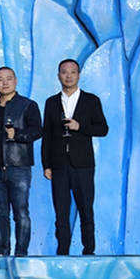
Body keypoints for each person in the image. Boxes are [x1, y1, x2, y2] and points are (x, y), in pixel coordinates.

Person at [41, 58, 108, 255]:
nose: (68, 76)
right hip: (59, 165)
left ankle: (89, 250)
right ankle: (62, 251)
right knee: (61, 211)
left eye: (72, 72)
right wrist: (46, 164)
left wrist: (80, 126)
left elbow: (103, 129)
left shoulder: (91, 100)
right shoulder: (51, 102)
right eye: (64, 72)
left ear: (79, 75)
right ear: (58, 76)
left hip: (83, 164)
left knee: (86, 208)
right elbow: (47, 135)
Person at [0, 66, 42, 258]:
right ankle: (3, 254)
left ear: (15, 81)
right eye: (0, 79)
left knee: (21, 212)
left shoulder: (28, 105)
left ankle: (21, 254)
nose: (4, 83)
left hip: (19, 167)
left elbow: (38, 130)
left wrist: (18, 134)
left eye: (8, 78)